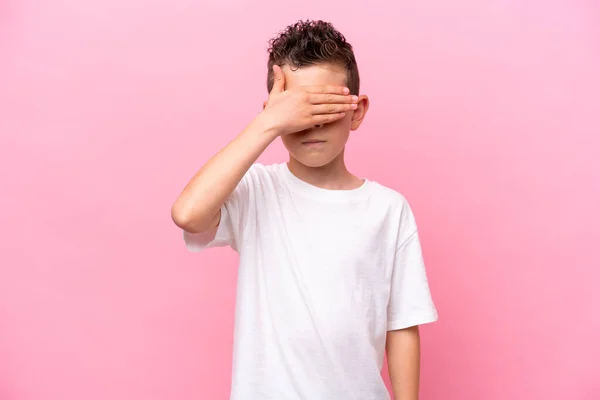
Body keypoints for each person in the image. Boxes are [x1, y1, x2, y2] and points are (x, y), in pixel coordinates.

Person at [171, 19, 438, 400]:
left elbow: (402, 323)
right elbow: (188, 214)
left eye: (323, 106)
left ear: (356, 111)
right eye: (296, 110)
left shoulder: (388, 209)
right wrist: (268, 123)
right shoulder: (256, 192)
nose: (309, 122)